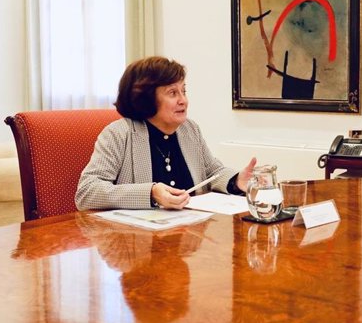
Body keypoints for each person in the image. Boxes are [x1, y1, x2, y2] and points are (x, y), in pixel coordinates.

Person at [75, 56, 256, 211]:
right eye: (172, 93)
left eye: (183, 91)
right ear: (146, 98)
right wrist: (151, 193)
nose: (183, 100)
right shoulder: (119, 134)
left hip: (188, 238)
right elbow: (87, 191)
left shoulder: (189, 129)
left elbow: (213, 171)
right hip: (137, 241)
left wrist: (236, 180)